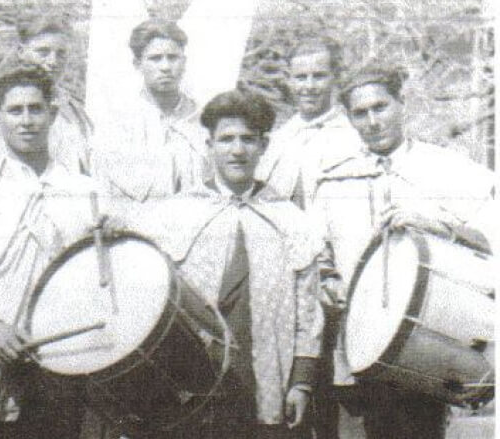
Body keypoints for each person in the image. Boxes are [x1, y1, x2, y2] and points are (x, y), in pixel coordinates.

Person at [118, 90, 325, 439]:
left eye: (248, 139)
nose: (237, 150)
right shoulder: (173, 214)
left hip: (263, 381)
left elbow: (308, 311)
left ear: (263, 145)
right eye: (226, 139)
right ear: (209, 144)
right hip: (188, 384)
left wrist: (301, 383)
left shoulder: (290, 220)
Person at [310, 66, 494, 439]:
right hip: (358, 353)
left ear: (402, 104)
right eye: (360, 113)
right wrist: (328, 281)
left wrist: (438, 226)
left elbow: (490, 240)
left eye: (381, 107)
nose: (373, 121)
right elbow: (318, 257)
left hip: (425, 350)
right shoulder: (333, 181)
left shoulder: (446, 168)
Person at [0, 58, 96, 438]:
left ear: (52, 114)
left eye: (36, 109)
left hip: (68, 367)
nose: (26, 120)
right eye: (15, 110)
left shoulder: (84, 193)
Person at [92, 19, 208, 204]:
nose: (165, 67)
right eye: (155, 58)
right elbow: (104, 192)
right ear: (137, 64)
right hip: (135, 227)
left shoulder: (205, 120)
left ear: (184, 62)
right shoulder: (117, 125)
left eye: (173, 57)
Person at [0, 14, 92, 179]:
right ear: (21, 51)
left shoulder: (74, 112)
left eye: (61, 54)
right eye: (43, 52)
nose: (53, 61)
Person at [255, 37, 363, 209]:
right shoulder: (278, 138)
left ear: (334, 78)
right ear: (289, 80)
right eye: (301, 77)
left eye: (319, 76)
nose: (309, 86)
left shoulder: (352, 139)